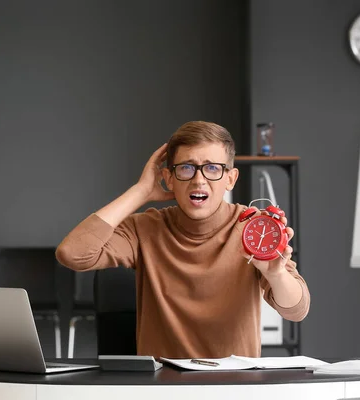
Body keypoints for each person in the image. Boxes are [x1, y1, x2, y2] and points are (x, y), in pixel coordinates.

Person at [56, 121, 310, 359]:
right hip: (162, 387)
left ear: (230, 179)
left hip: (232, 386)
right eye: (186, 168)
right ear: (169, 178)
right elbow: (72, 253)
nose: (199, 180)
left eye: (212, 168)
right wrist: (141, 191)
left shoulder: (253, 227)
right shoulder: (144, 228)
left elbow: (296, 310)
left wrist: (276, 275)